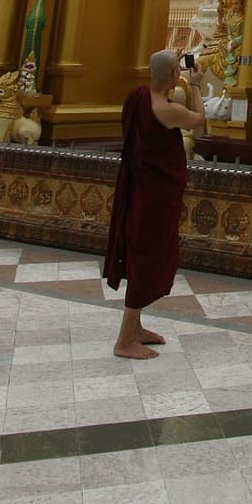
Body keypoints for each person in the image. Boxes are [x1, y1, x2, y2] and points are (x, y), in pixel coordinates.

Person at [103, 51, 207, 359]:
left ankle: (135, 328)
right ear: (176, 75)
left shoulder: (136, 97)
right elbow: (200, 124)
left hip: (140, 187)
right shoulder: (167, 110)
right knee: (149, 257)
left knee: (143, 253)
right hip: (155, 196)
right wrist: (197, 85)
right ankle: (124, 340)